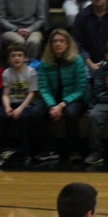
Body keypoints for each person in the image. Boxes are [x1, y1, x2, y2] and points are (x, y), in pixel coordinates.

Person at [37, 28, 89, 162]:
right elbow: (44, 88)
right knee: (36, 112)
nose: (58, 44)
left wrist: (62, 105)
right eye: (54, 41)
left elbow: (80, 89)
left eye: (61, 41)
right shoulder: (45, 62)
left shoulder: (77, 60)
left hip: (75, 99)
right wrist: (52, 105)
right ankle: (50, 149)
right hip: (53, 100)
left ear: (67, 44)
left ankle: (74, 151)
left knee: (71, 113)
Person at [0, 42, 44, 166]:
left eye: (19, 55)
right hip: (12, 103)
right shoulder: (6, 73)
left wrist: (20, 109)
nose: (16, 58)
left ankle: (25, 153)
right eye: (13, 56)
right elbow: (5, 94)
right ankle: (4, 151)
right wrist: (7, 107)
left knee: (24, 118)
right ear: (9, 59)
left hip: (26, 104)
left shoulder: (31, 72)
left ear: (25, 58)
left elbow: (31, 94)